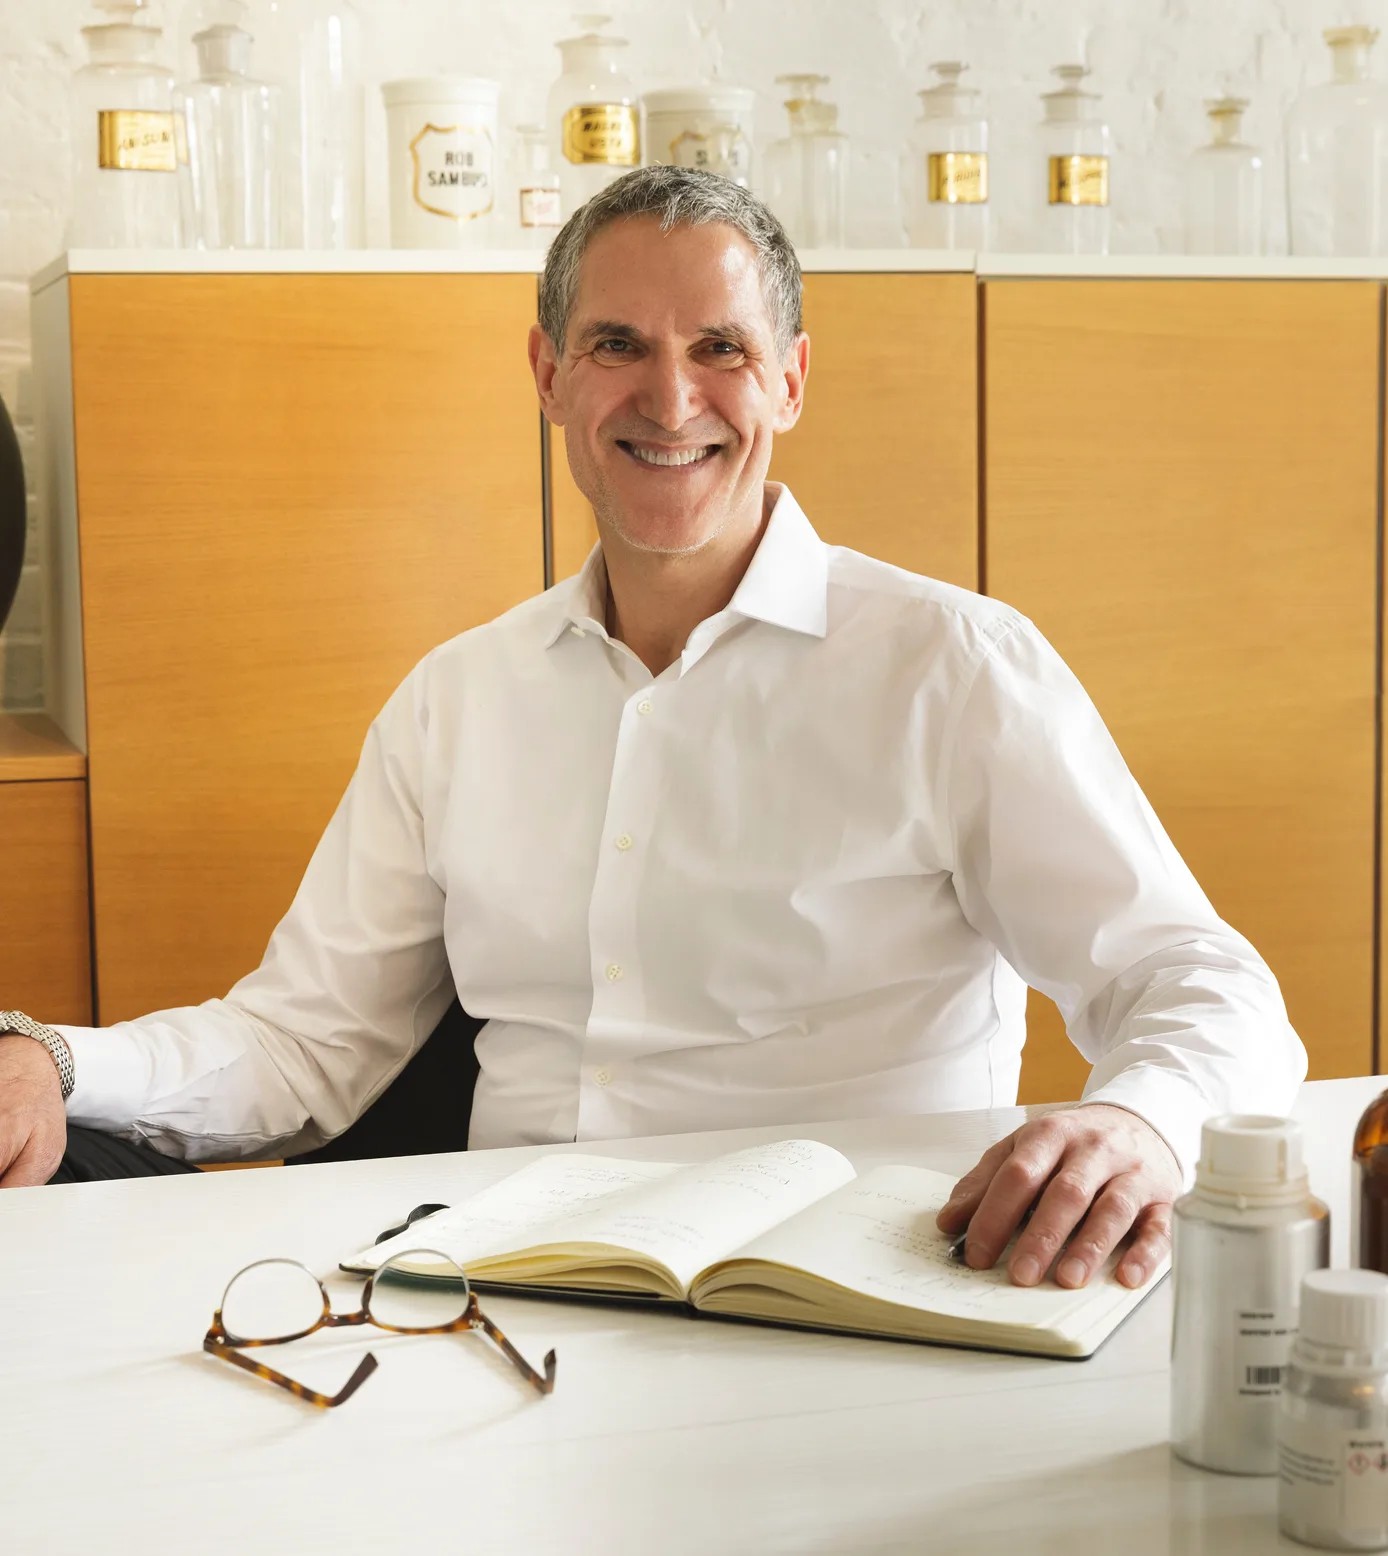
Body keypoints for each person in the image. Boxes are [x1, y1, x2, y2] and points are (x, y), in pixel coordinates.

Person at [0, 167, 1304, 1294]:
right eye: (619, 344)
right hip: (494, 1305)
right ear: (549, 377)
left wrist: (1139, 1123)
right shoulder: (456, 701)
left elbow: (1203, 985)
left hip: (860, 1303)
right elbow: (297, 1046)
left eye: (721, 350)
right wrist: (52, 1062)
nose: (671, 402)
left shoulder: (951, 668)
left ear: (790, 381)